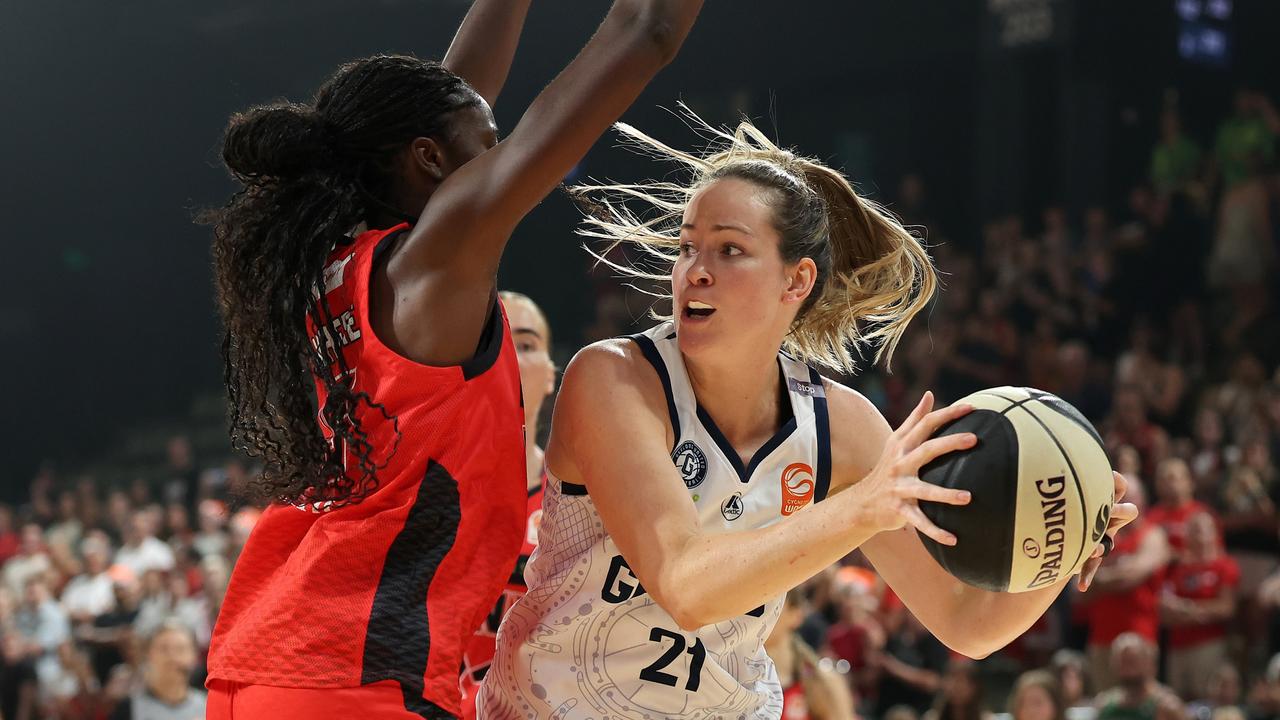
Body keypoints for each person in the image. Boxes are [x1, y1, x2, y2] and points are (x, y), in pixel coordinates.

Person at [481, 114, 1135, 718]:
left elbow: (967, 621)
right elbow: (685, 586)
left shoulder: (841, 430)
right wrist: (860, 508)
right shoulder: (615, 378)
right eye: (687, 248)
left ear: (795, 282)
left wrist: (1066, 537)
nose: (695, 271)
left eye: (729, 250)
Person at [201, 1, 704, 718]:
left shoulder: (334, 264)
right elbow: (645, 31)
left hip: (268, 664)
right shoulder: (432, 264)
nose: (501, 158)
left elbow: (447, 102)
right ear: (429, 159)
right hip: (359, 676)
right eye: (490, 145)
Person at [459, 291, 557, 718]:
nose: (509, 358)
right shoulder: (413, 488)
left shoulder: (585, 502)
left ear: (552, 374)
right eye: (492, 340)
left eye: (526, 344)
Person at [1160, 511, 1239, 700]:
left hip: (1208, 644)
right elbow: (1164, 610)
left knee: (1208, 698)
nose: (1199, 536)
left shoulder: (1225, 565)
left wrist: (1187, 608)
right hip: (1177, 646)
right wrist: (1196, 612)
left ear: (1214, 533)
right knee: (1177, 701)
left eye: (1203, 530)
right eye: (1193, 531)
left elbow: (1227, 607)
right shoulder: (1177, 569)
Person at [764, 588, 856, 720]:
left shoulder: (822, 681)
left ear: (796, 615)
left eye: (767, 604)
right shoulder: (735, 674)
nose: (757, 616)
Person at [109, 619, 206, 720]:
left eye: (180, 649)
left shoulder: (208, 705)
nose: (172, 656)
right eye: (164, 648)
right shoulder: (128, 707)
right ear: (148, 654)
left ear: (194, 656)